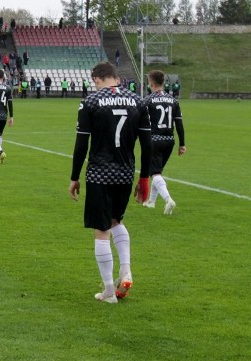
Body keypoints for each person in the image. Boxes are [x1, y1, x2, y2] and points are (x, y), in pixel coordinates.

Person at [69, 62, 152, 304]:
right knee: (117, 221)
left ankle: (108, 291)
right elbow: (147, 145)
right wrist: (144, 178)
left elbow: (81, 143)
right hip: (125, 174)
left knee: (101, 230)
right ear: (116, 77)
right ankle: (125, 270)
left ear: (96, 78)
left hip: (99, 173)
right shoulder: (138, 101)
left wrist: (74, 177)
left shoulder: (91, 102)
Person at [142, 70, 186, 214]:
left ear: (152, 83)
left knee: (154, 173)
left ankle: (168, 200)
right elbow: (179, 123)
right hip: (169, 141)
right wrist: (182, 144)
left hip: (154, 140)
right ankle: (152, 202)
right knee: (157, 172)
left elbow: (141, 122)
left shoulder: (147, 100)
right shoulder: (173, 100)